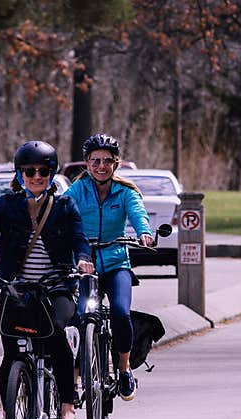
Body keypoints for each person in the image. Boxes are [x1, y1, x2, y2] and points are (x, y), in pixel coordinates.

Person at [0, 141, 94, 419]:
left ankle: (67, 408)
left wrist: (83, 260)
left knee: (56, 333)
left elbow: (80, 239)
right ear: (19, 174)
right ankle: (10, 411)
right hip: (16, 289)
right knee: (12, 354)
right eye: (29, 171)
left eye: (43, 172)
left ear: (51, 174)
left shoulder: (64, 206)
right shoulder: (7, 205)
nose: (36, 177)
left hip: (56, 286)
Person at [63, 133, 154, 401]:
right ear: (86, 163)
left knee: (120, 313)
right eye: (95, 161)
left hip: (116, 263)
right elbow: (61, 213)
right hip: (84, 265)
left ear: (116, 163)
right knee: (79, 316)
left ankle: (124, 370)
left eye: (106, 161)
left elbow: (138, 215)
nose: (101, 166)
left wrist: (144, 233)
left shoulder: (126, 192)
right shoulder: (77, 191)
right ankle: (76, 379)